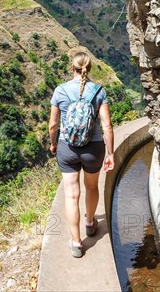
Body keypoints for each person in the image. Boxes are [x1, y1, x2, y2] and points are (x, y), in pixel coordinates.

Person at [49, 51, 115, 258]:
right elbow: (107, 125)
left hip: (67, 148)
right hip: (93, 148)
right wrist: (110, 153)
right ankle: (90, 223)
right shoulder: (99, 91)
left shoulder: (60, 91)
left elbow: (53, 125)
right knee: (92, 186)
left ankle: (77, 243)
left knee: (71, 194)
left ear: (72, 68)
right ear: (90, 68)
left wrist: (53, 144)